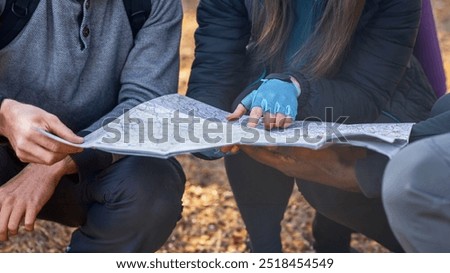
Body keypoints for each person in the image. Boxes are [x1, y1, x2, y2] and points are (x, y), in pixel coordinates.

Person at [187, 0, 437, 252]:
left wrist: (296, 89)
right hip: (273, 73)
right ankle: (264, 250)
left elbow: (365, 92)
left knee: (327, 168)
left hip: (375, 97)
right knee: (251, 116)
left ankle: (333, 244)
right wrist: (207, 120)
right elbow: (216, 61)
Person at [0, 0, 185, 252]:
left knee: (155, 185)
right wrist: (4, 115)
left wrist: (54, 166)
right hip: (5, 149)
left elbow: (147, 108)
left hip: (93, 165)